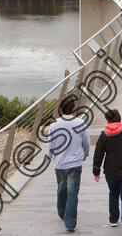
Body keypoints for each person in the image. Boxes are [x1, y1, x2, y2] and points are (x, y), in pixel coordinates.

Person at [47, 97, 90, 233]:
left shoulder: (54, 124)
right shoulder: (80, 122)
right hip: (75, 162)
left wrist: (52, 156)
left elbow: (50, 143)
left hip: (60, 163)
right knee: (73, 192)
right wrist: (85, 154)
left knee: (61, 187)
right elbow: (86, 141)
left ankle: (61, 211)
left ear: (61, 108)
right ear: (73, 108)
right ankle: (70, 222)